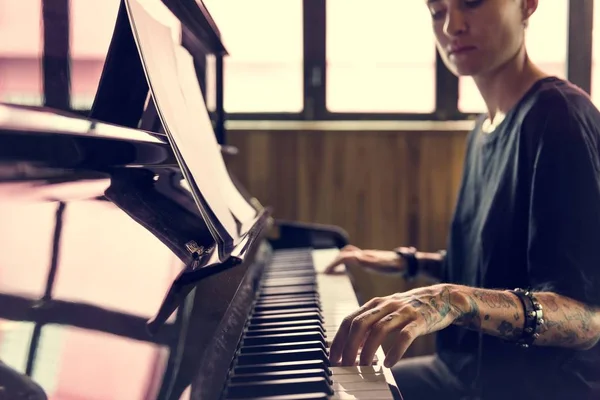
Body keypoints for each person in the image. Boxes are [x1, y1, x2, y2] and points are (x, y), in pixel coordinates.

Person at [324, 0, 600, 399]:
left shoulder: (561, 116)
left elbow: (588, 317)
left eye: (471, 3)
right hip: (463, 373)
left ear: (527, 5)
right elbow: (500, 265)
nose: (452, 25)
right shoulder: (483, 129)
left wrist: (450, 299)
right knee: (332, 385)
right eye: (437, 11)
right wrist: (410, 262)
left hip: (533, 389)